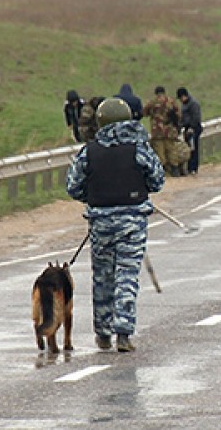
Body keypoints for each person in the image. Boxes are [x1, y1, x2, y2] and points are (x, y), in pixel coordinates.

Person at [66, 98, 165, 353]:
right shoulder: (139, 148)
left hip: (100, 223)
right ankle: (123, 332)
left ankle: (103, 333)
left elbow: (73, 186)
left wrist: (93, 197)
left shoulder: (90, 151)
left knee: (102, 277)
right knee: (127, 276)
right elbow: (157, 180)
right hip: (132, 222)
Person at [143, 86, 182, 176]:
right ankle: (175, 170)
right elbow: (179, 115)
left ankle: (163, 172)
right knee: (171, 150)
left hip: (157, 131)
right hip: (170, 130)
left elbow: (144, 112)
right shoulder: (171, 101)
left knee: (159, 152)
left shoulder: (152, 102)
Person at [177, 87, 203, 175]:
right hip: (187, 129)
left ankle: (193, 168)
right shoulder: (184, 104)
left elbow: (196, 117)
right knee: (188, 149)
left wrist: (192, 127)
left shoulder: (193, 104)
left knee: (193, 148)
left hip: (194, 129)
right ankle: (189, 167)